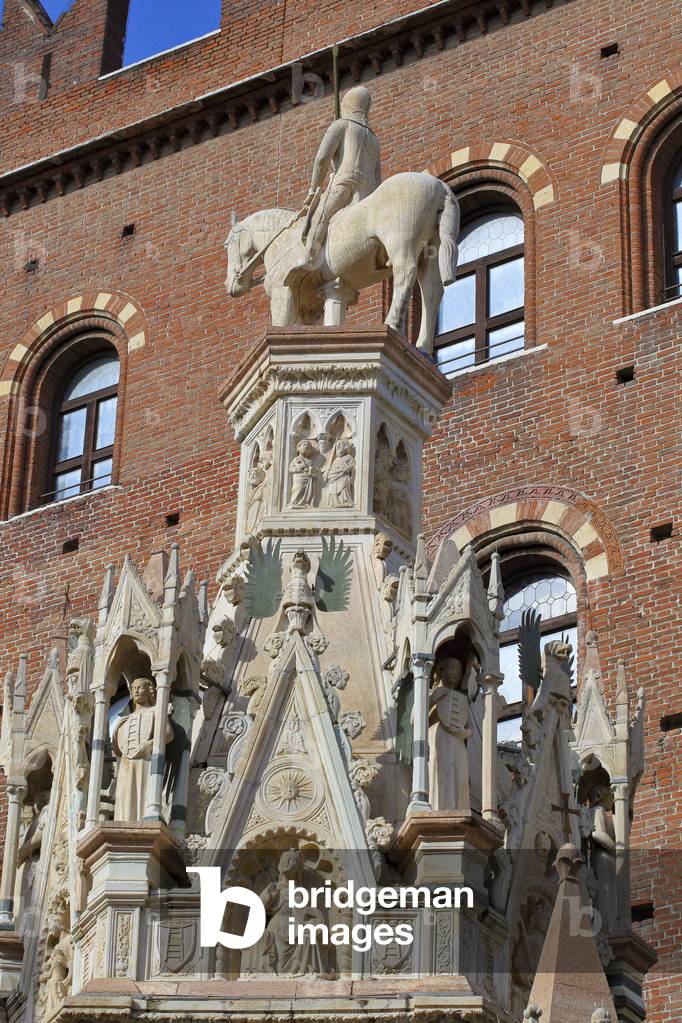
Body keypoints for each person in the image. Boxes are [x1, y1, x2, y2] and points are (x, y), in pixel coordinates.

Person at [295, 86, 381, 274]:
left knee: (320, 216)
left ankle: (309, 257)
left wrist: (313, 190)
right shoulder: (374, 139)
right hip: (369, 190)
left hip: (345, 182)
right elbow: (378, 175)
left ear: (348, 105)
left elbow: (321, 159)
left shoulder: (341, 125)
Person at [112, 677, 172, 822]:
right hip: (127, 764)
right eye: (134, 688)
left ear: (149, 691)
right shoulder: (125, 719)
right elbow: (118, 749)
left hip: (146, 761)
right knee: (125, 796)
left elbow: (168, 734)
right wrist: (116, 730)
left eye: (140, 687)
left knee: (144, 791)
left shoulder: (156, 711)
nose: (137, 691)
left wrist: (149, 745)